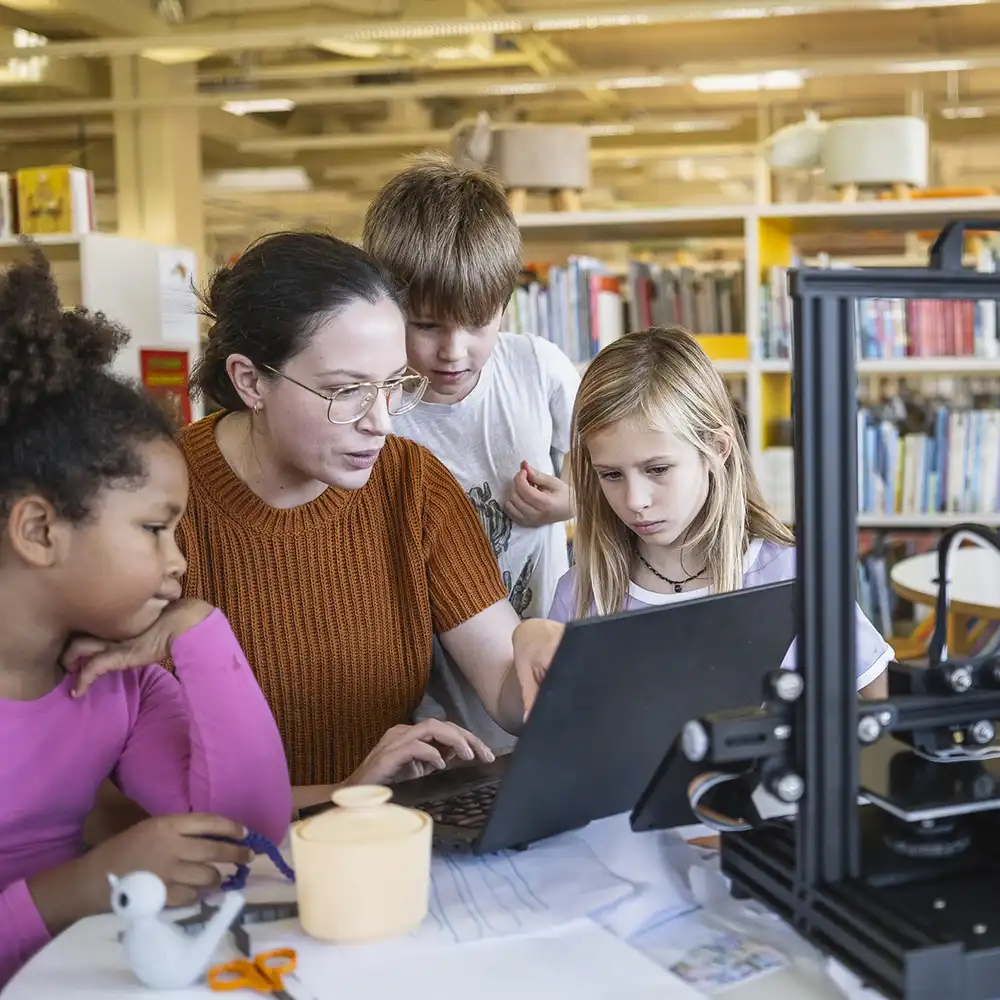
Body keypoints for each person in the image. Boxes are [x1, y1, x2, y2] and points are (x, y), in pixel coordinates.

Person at [150, 231, 550, 809]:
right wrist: (346, 793)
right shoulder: (156, 503)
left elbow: (507, 692)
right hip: (219, 863)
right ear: (250, 381)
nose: (382, 422)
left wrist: (544, 656)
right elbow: (143, 791)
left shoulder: (411, 484)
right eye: (348, 391)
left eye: (392, 385)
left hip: (378, 839)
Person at [0, 253, 292, 986]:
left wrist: (199, 631)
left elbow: (250, 831)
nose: (179, 562)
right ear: (39, 531)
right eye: (154, 529)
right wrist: (87, 885)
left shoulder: (116, 683)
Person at [518, 326, 890, 712]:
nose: (635, 501)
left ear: (717, 448)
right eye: (611, 475)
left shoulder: (795, 577)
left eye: (658, 469)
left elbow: (880, 706)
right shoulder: (580, 593)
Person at [362, 155, 579, 748]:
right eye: (426, 325)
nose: (453, 352)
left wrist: (574, 504)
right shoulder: (368, 406)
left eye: (477, 323)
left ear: (506, 304)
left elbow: (623, 480)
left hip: (535, 684)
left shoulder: (538, 369)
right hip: (422, 707)